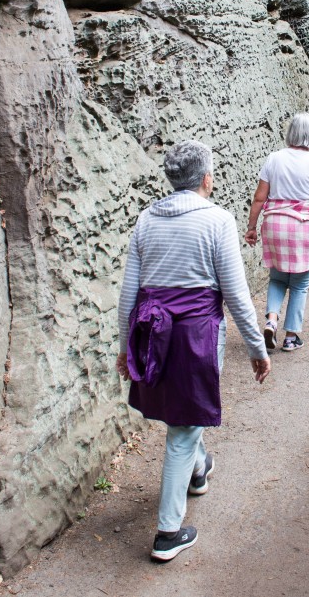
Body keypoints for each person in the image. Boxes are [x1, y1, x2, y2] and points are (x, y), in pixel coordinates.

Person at [116, 141, 271, 563]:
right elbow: (237, 294)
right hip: (195, 336)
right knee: (183, 428)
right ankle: (168, 532)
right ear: (206, 179)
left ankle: (199, 472)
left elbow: (129, 292)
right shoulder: (217, 220)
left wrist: (123, 345)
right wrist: (257, 347)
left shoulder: (146, 220)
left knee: (185, 416)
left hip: (152, 333)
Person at [245, 113, 309, 353]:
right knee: (300, 283)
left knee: (277, 278)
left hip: (274, 224)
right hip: (303, 227)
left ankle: (271, 320)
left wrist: (252, 227)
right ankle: (291, 337)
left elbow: (259, 197)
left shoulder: (274, 158)